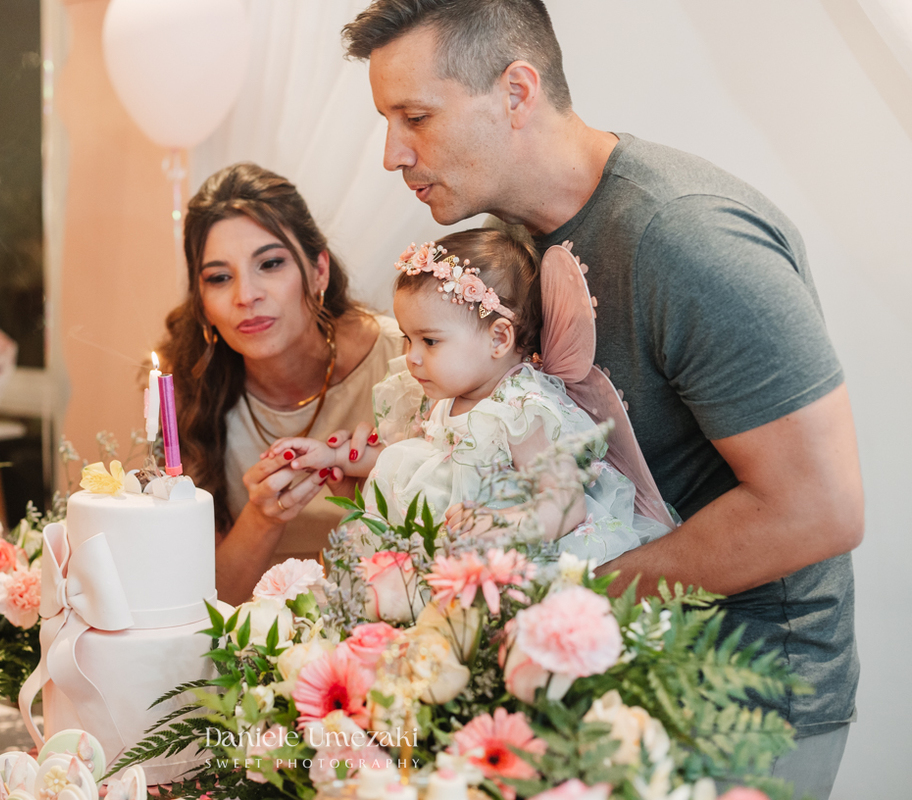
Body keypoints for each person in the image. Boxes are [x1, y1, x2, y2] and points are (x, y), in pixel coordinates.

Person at [341, 2, 863, 797]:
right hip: (603, 679)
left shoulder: (685, 239)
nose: (391, 154)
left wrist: (559, 606)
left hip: (740, 705)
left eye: (415, 116)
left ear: (517, 91)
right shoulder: (516, 241)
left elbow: (818, 506)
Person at [271, 228, 676, 564]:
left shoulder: (519, 408)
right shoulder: (447, 395)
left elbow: (564, 503)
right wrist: (335, 458)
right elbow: (423, 460)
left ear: (499, 337)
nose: (411, 357)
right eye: (408, 338)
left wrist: (505, 526)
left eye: (429, 340)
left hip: (499, 562)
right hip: (439, 550)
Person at [156, 163, 399, 605]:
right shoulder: (185, 394)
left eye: (270, 264)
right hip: (247, 650)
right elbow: (198, 604)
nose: (245, 295)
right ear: (202, 301)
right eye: (219, 277)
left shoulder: (405, 361)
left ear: (319, 270)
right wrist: (263, 518)